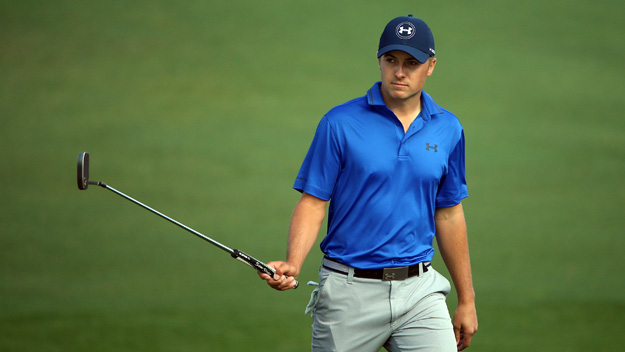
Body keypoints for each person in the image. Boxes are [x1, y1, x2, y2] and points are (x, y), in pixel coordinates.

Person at [259, 15, 478, 351]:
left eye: (411, 63)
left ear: (430, 66)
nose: (399, 72)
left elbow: (449, 213)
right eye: (391, 60)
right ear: (379, 61)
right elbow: (314, 201)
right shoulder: (339, 123)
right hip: (348, 294)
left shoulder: (448, 129)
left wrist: (467, 299)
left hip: (420, 291)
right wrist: (293, 261)